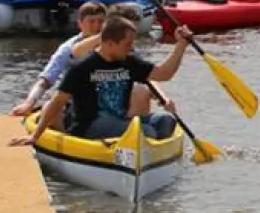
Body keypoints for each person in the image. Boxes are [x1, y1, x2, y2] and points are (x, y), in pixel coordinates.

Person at [11, 16, 193, 145]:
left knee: (166, 121)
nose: (131, 48)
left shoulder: (129, 62)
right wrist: (35, 136)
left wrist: (181, 46)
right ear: (109, 43)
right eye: (127, 44)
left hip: (119, 119)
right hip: (90, 124)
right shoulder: (82, 68)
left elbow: (164, 74)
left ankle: (146, 157)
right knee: (148, 133)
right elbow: (57, 102)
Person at [10, 0, 107, 116]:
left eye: (101, 21)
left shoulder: (116, 44)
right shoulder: (67, 48)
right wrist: (29, 103)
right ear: (80, 24)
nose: (97, 26)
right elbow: (46, 79)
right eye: (91, 22)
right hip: (75, 99)